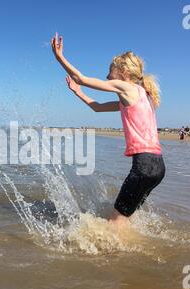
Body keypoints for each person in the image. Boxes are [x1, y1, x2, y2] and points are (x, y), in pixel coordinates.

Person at [51, 33, 165, 225]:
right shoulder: (139, 95)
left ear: (123, 72)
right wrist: (79, 93)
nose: (107, 75)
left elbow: (80, 78)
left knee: (115, 221)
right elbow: (97, 107)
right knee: (124, 216)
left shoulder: (127, 88)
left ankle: (114, 254)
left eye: (110, 70)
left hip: (144, 165)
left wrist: (59, 57)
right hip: (158, 167)